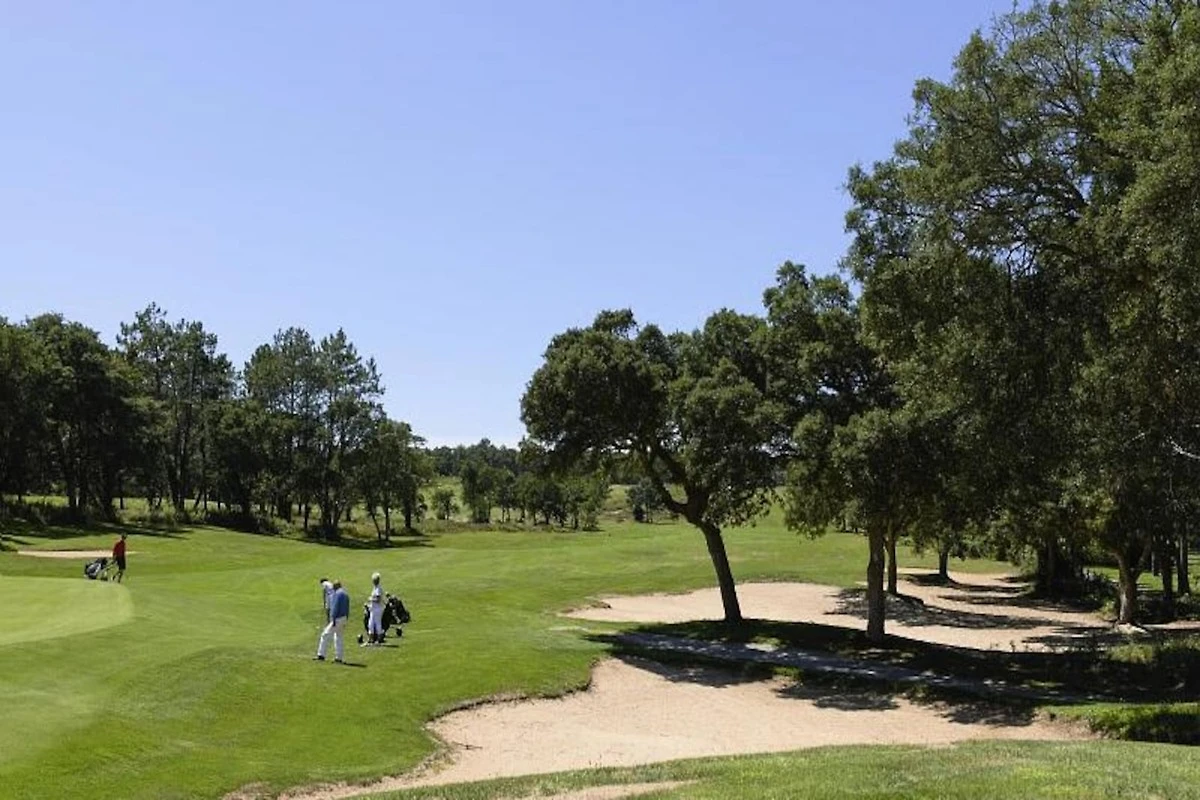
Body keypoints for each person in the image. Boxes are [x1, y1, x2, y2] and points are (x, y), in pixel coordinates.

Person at [315, 580, 350, 663]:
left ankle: (321, 655)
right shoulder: (345, 594)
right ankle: (339, 657)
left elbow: (335, 607)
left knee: (325, 635)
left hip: (337, 619)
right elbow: (347, 608)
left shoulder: (337, 594)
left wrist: (333, 619)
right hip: (344, 618)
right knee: (339, 637)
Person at [364, 572, 385, 646]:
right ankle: (371, 639)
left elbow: (378, 599)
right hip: (373, 609)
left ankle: (379, 639)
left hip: (377, 609)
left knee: (377, 623)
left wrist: (371, 599)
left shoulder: (378, 589)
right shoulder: (375, 588)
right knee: (370, 624)